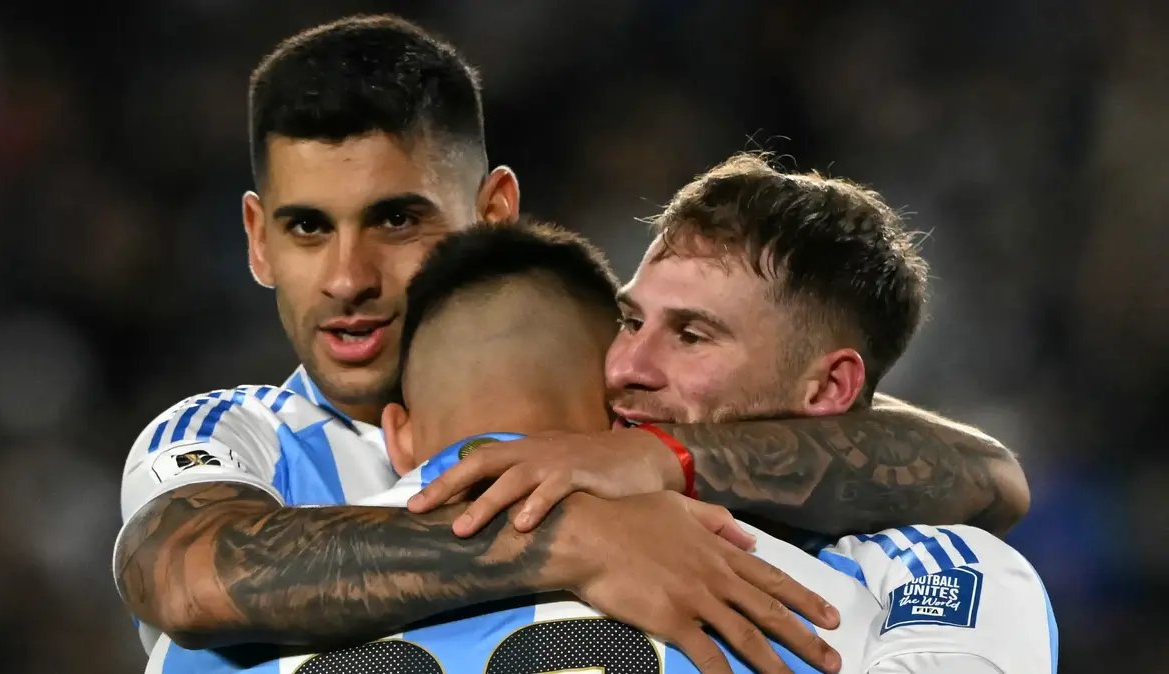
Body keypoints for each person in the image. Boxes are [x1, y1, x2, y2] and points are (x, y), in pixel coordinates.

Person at [114, 13, 1031, 673]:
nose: (348, 278)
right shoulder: (237, 437)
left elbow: (980, 472)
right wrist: (566, 537)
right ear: (257, 241)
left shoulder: (624, 396)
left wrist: (655, 458)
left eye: (397, 220)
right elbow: (189, 579)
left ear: (494, 214)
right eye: (308, 229)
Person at [298, 213, 1051, 674]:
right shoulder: (871, 591)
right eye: (629, 323)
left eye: (691, 336)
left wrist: (664, 459)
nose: (626, 367)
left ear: (828, 389)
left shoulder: (284, 578)